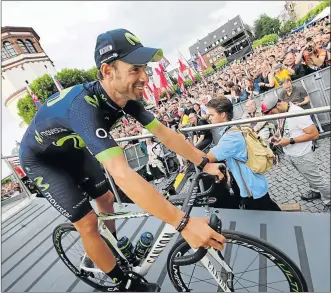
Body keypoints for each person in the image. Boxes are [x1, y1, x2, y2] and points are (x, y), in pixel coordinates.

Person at [19, 28, 226, 292]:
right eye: (135, 70)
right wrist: (182, 223)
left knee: (106, 200)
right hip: (42, 162)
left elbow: (165, 134)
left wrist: (203, 161)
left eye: (144, 68)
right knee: (88, 223)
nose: (145, 77)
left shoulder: (123, 96)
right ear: (107, 71)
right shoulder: (84, 108)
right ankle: (122, 282)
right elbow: (122, 174)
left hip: (72, 151)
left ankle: (111, 246)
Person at [204, 98, 281, 211]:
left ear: (223, 114)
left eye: (211, 115)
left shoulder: (230, 137)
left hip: (251, 189)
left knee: (270, 214)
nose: (209, 118)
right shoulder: (233, 128)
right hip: (253, 185)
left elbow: (206, 158)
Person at [261, 95, 330, 211]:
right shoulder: (281, 112)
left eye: (272, 113)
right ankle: (315, 191)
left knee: (317, 179)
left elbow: (314, 134)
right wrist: (276, 136)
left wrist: (290, 141)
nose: (272, 115)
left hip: (303, 154)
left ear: (278, 105)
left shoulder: (297, 113)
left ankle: (329, 201)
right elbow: (281, 127)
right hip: (292, 153)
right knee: (308, 176)